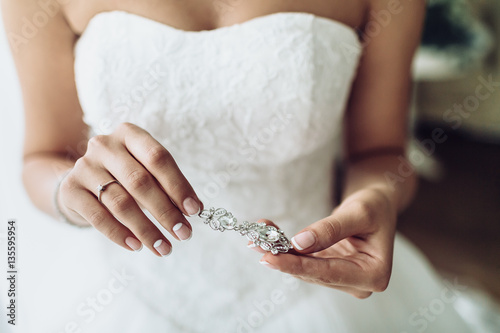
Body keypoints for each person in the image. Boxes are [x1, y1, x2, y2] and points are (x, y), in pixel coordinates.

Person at [1, 0, 491, 332]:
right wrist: (71, 192)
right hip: (118, 292)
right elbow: (42, 156)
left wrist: (375, 199)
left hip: (312, 291)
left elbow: (380, 152)